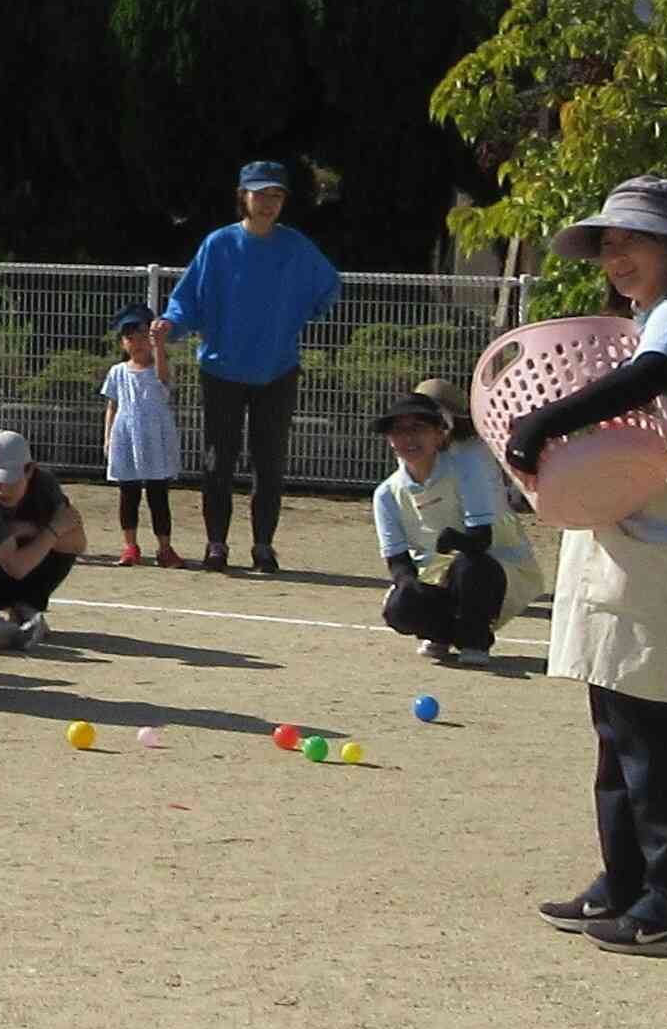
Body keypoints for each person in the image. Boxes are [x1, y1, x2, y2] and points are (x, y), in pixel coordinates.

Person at [506, 177, 667, 956]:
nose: (617, 256)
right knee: (612, 715)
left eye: (635, 240)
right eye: (610, 244)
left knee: (649, 720)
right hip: (627, 526)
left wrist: (544, 420)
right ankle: (624, 880)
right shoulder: (640, 318)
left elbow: (647, 381)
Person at [155, 161, 338, 573]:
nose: (268, 203)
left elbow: (328, 284)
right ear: (244, 196)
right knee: (218, 459)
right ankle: (216, 544)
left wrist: (304, 313)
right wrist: (172, 324)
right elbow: (188, 300)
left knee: (269, 461)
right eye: (261, 195)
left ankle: (263, 546)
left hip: (278, 368)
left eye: (276, 196)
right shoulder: (218, 245)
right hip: (221, 369)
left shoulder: (296, 248)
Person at [372, 389, 532, 666]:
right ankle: (442, 634)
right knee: (400, 607)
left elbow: (481, 539)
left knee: (471, 565)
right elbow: (397, 561)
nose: (408, 438)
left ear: (439, 433)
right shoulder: (386, 494)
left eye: (418, 428)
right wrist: (409, 589)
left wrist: (452, 540)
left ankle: (476, 640)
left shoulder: (467, 466)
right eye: (398, 431)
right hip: (440, 576)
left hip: (500, 571)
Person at [0, 429, 85, 648]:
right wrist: (53, 529)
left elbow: (77, 544)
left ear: (29, 470)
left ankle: (26, 606)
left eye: (9, 480)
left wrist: (30, 529)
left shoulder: (45, 486)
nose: (0, 490)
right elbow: (15, 567)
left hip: (19, 565)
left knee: (58, 551)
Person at [102, 310, 184, 566]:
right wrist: (108, 437)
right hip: (126, 435)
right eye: (128, 337)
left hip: (154, 436)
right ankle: (130, 546)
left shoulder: (158, 369)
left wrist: (159, 345)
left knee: (158, 494)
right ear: (122, 343)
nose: (135, 341)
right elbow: (112, 405)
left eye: (140, 335)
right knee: (128, 493)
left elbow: (163, 380)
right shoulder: (117, 372)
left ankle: (165, 548)